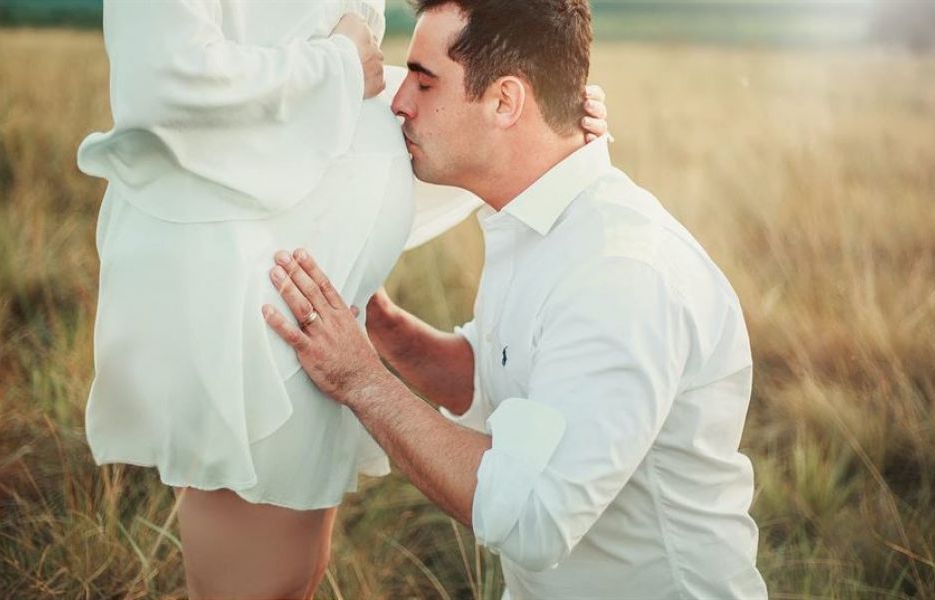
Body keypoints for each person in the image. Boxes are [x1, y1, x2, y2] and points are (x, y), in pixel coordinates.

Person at [76, 0, 609, 597]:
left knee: (291, 573)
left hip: (307, 289)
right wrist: (337, 66)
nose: (405, 99)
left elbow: (349, 113)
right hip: (259, 296)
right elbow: (161, 80)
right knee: (256, 582)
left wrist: (547, 130)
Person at [261, 0, 769, 598]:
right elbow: (504, 382)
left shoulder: (619, 274)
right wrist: (384, 328)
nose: (399, 102)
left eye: (424, 80)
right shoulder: (535, 222)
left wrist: (360, 380)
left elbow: (533, 517)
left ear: (505, 101)